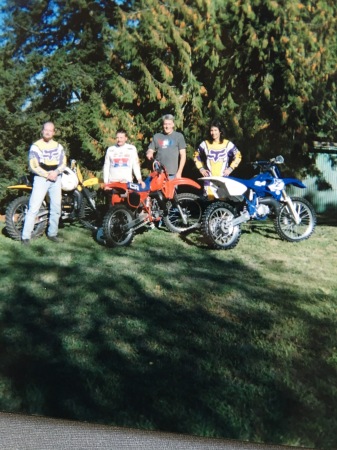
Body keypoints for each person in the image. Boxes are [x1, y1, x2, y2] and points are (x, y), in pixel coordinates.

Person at [21, 122, 67, 244]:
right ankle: (26, 237)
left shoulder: (58, 146)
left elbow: (63, 162)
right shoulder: (36, 146)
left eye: (50, 130)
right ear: (42, 131)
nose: (48, 132)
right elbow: (33, 165)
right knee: (34, 207)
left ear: (54, 132)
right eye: (46, 130)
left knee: (56, 207)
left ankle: (52, 234)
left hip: (56, 178)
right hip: (41, 179)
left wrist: (56, 172)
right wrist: (48, 174)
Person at [194, 120, 242, 199]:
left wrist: (230, 168)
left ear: (220, 131)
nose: (213, 133)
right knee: (209, 206)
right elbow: (196, 155)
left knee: (222, 206)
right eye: (211, 130)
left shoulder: (227, 144)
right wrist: (201, 169)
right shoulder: (205, 144)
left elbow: (238, 156)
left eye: (215, 130)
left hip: (222, 180)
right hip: (209, 180)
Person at [146, 114, 186, 179]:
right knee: (158, 189)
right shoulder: (157, 136)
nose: (167, 126)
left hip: (172, 175)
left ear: (173, 124)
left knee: (172, 189)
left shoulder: (179, 136)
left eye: (169, 124)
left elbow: (183, 155)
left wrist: (179, 172)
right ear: (163, 125)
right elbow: (150, 149)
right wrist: (149, 153)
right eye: (165, 124)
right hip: (159, 173)